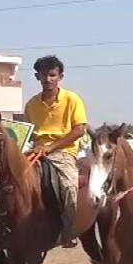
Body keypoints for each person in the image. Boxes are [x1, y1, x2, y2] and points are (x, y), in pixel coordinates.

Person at [24, 55, 88, 249]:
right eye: (44, 75)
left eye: (52, 75)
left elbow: (79, 130)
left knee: (69, 186)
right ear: (37, 76)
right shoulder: (31, 104)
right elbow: (28, 133)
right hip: (36, 151)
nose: (48, 79)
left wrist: (51, 147)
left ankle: (69, 230)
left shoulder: (72, 99)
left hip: (64, 152)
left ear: (60, 76)